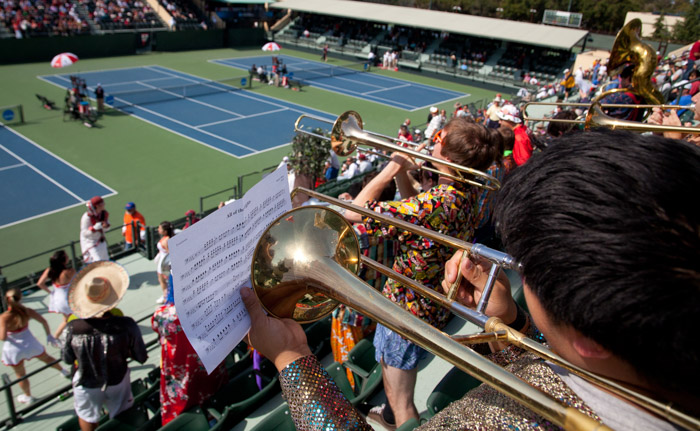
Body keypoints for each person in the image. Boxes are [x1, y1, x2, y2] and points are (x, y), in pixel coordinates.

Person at [240, 129, 699, 431]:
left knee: (402, 395)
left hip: (408, 304)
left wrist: (292, 358)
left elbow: (345, 223)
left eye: (530, 267)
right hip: (434, 307)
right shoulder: (474, 197)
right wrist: (519, 324)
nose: (517, 270)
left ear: (590, 337)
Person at [339, 118, 495, 428]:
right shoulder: (463, 193)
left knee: (402, 402)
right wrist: (405, 176)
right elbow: (415, 207)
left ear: (447, 158)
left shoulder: (434, 202)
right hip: (424, 307)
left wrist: (391, 168)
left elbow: (352, 212)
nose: (432, 141)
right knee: (393, 382)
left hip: (407, 314)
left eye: (438, 137)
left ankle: (402, 423)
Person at [62, 261, 147, 431]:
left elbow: (67, 358)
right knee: (122, 415)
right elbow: (141, 356)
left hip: (86, 382)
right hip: (118, 378)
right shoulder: (126, 324)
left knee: (87, 415)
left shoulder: (72, 328)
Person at [151, 275, 227, 425]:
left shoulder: (164, 316)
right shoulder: (215, 303)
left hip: (183, 376)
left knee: (183, 403)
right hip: (210, 367)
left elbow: (155, 325)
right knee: (212, 395)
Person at [1, 288, 68, 405]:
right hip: (31, 343)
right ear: (20, 297)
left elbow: (2, 337)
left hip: (14, 349)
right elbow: (43, 321)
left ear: (6, 300)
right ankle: (63, 371)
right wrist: (49, 335)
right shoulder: (27, 311)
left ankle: (28, 396)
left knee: (20, 374)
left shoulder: (4, 317)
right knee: (47, 358)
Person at [37, 250, 76, 338]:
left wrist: (50, 292)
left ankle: (57, 336)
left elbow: (40, 283)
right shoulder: (69, 272)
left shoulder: (50, 270)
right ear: (63, 260)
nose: (68, 257)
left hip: (57, 298)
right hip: (67, 299)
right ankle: (58, 337)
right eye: (66, 256)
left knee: (66, 319)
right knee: (71, 319)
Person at [80, 196, 110, 263]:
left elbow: (107, 227)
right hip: (91, 244)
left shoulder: (103, 214)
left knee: (106, 261)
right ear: (97, 206)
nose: (104, 204)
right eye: (102, 203)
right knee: (97, 263)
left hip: (102, 242)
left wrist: (106, 226)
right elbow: (84, 234)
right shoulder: (86, 217)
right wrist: (95, 228)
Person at [154, 221, 173, 304]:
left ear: (165, 231)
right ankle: (165, 296)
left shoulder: (166, 241)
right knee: (162, 280)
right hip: (162, 262)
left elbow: (171, 254)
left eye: (159, 228)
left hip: (164, 264)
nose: (158, 229)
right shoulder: (165, 238)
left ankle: (166, 298)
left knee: (164, 281)